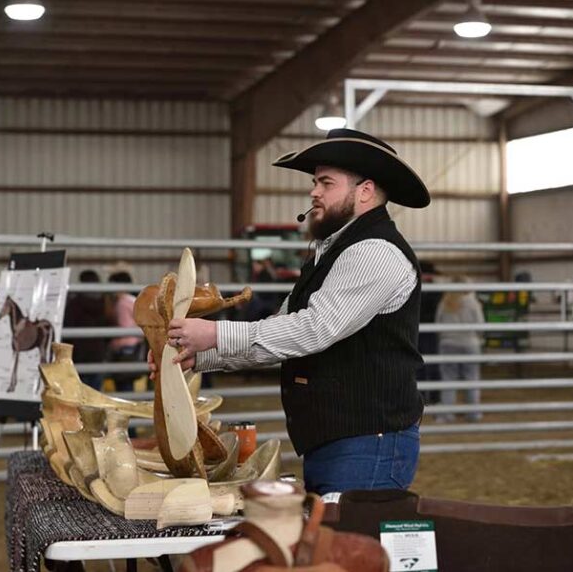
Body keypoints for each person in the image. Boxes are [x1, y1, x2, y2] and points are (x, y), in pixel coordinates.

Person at [155, 128, 431, 496]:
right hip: (343, 442)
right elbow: (280, 332)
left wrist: (216, 334)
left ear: (364, 191)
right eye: (316, 182)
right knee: (331, 545)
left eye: (326, 183)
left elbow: (314, 329)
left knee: (345, 547)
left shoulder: (375, 252)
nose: (314, 191)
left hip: (367, 444)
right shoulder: (332, 252)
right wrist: (196, 356)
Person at [435, 277, 485, 423]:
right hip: (470, 344)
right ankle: (473, 413)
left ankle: (446, 414)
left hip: (447, 344)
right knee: (472, 378)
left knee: (448, 379)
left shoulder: (444, 303)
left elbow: (438, 323)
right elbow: (481, 325)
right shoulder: (473, 303)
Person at [62, 269, 109, 391]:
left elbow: (68, 328)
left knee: (79, 395)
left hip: (79, 355)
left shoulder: (74, 304)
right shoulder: (104, 302)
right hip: (98, 354)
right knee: (96, 396)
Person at [106, 269, 144, 394]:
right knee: (129, 383)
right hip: (135, 345)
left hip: (124, 347)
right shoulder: (133, 300)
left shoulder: (121, 303)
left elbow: (124, 328)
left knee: (123, 385)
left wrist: (112, 344)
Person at [417, 261, 442, 404]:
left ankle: (424, 396)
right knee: (431, 364)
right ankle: (433, 396)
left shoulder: (415, 289)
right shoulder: (436, 291)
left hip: (419, 331)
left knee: (422, 365)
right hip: (429, 332)